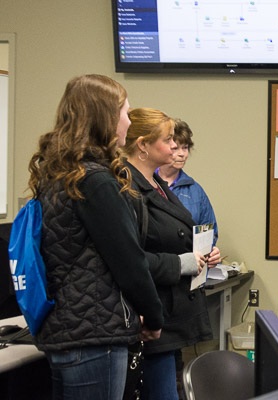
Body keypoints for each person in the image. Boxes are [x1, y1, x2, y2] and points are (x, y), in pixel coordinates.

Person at [27, 74, 163, 399]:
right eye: (126, 113)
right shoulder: (96, 181)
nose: (130, 122)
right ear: (105, 117)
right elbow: (128, 260)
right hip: (95, 335)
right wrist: (153, 316)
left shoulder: (59, 174)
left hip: (68, 331)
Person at [122, 108, 221, 400]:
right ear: (143, 145)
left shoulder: (161, 187)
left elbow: (195, 231)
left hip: (170, 313)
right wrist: (183, 262)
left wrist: (204, 252)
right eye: (169, 141)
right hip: (149, 312)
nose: (176, 150)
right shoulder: (127, 189)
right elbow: (131, 258)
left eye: (180, 145)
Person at [158, 119, 218, 243]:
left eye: (185, 148)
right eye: (175, 148)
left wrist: (210, 253)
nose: (182, 154)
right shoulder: (146, 182)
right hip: (155, 260)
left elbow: (209, 234)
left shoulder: (195, 191)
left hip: (189, 260)